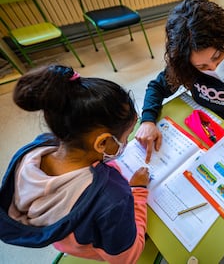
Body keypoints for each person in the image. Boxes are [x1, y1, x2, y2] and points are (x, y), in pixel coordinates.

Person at [0, 65, 150, 263]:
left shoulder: (32, 151)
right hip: (97, 246)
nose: (127, 141)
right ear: (103, 143)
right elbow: (126, 258)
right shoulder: (113, 195)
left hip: (62, 237)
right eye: (126, 135)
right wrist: (138, 191)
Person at [136, 0, 224, 163]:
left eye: (217, 56)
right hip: (195, 124)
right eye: (202, 66)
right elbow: (157, 87)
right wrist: (147, 120)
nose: (213, 68)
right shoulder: (185, 65)